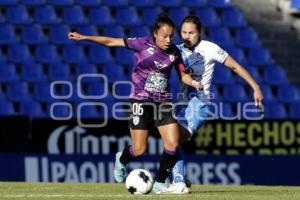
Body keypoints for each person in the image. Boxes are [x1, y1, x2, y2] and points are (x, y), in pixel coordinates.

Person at [68, 15, 202, 194]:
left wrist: (193, 82)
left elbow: (182, 75)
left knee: (172, 144)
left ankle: (160, 182)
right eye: (164, 36)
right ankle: (122, 159)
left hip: (163, 103)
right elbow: (110, 41)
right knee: (139, 150)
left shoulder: (174, 53)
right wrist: (85, 37)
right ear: (155, 33)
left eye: (171, 36)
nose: (168, 40)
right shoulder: (142, 44)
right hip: (140, 101)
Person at [170, 15, 264, 185]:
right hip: (183, 105)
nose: (187, 36)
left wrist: (255, 87)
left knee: (173, 138)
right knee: (171, 139)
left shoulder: (210, 48)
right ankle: (180, 178)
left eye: (191, 32)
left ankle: (178, 182)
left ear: (199, 33)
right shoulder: (177, 50)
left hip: (200, 102)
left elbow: (235, 66)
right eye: (184, 32)